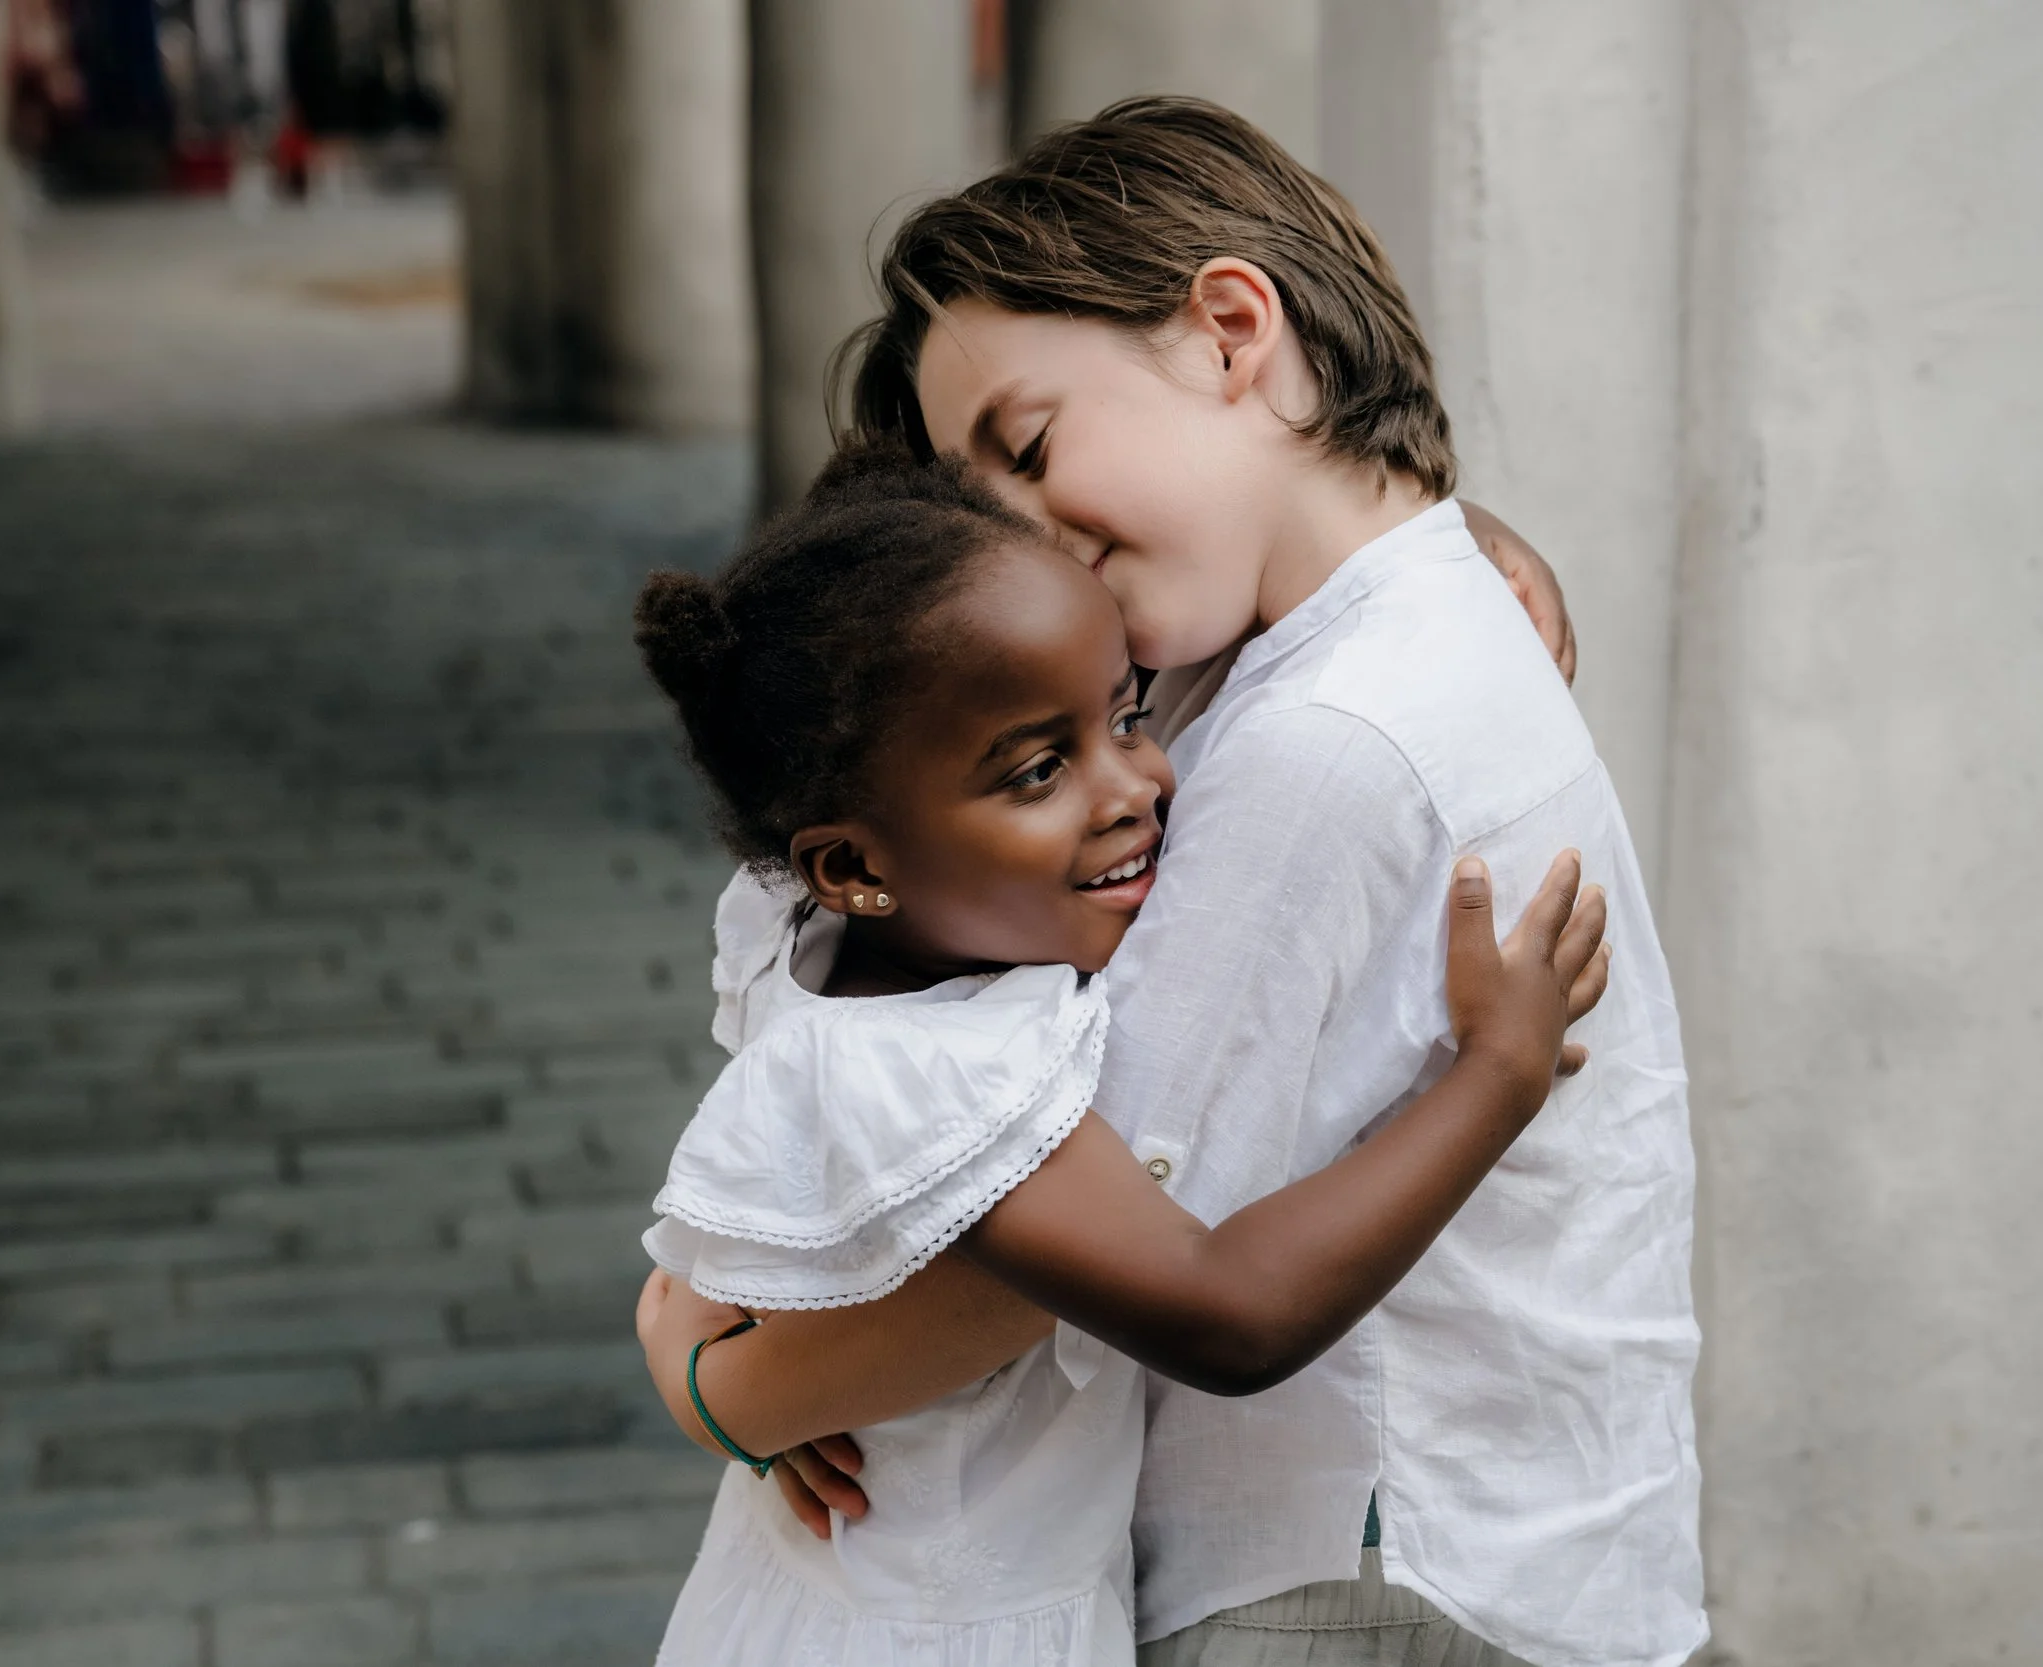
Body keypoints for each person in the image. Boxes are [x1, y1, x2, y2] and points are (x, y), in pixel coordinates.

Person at [644, 95, 1705, 1667]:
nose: (1022, 542)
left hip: (1366, 1568)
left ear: (1230, 332)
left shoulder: (1325, 737)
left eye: (1030, 446)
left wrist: (713, 1369)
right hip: (1458, 1533)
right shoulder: (1316, 634)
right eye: (974, 501)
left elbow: (1073, 1243)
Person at [632, 445, 1608, 1666]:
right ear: (853, 863)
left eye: (1128, 712)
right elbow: (1227, 1313)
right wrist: (1493, 1078)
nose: (1135, 785)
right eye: (1038, 769)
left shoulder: (819, 926)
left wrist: (1443, 537)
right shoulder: (931, 1075)